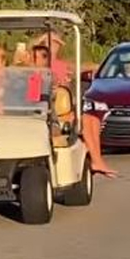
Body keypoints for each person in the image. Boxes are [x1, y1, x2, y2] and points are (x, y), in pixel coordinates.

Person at [33, 31, 116, 177]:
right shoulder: (35, 73)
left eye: (56, 45)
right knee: (84, 121)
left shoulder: (59, 65)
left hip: (64, 106)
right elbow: (35, 99)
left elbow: (77, 68)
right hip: (49, 113)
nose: (54, 48)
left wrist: (99, 68)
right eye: (51, 44)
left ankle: (97, 160)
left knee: (93, 119)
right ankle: (96, 160)